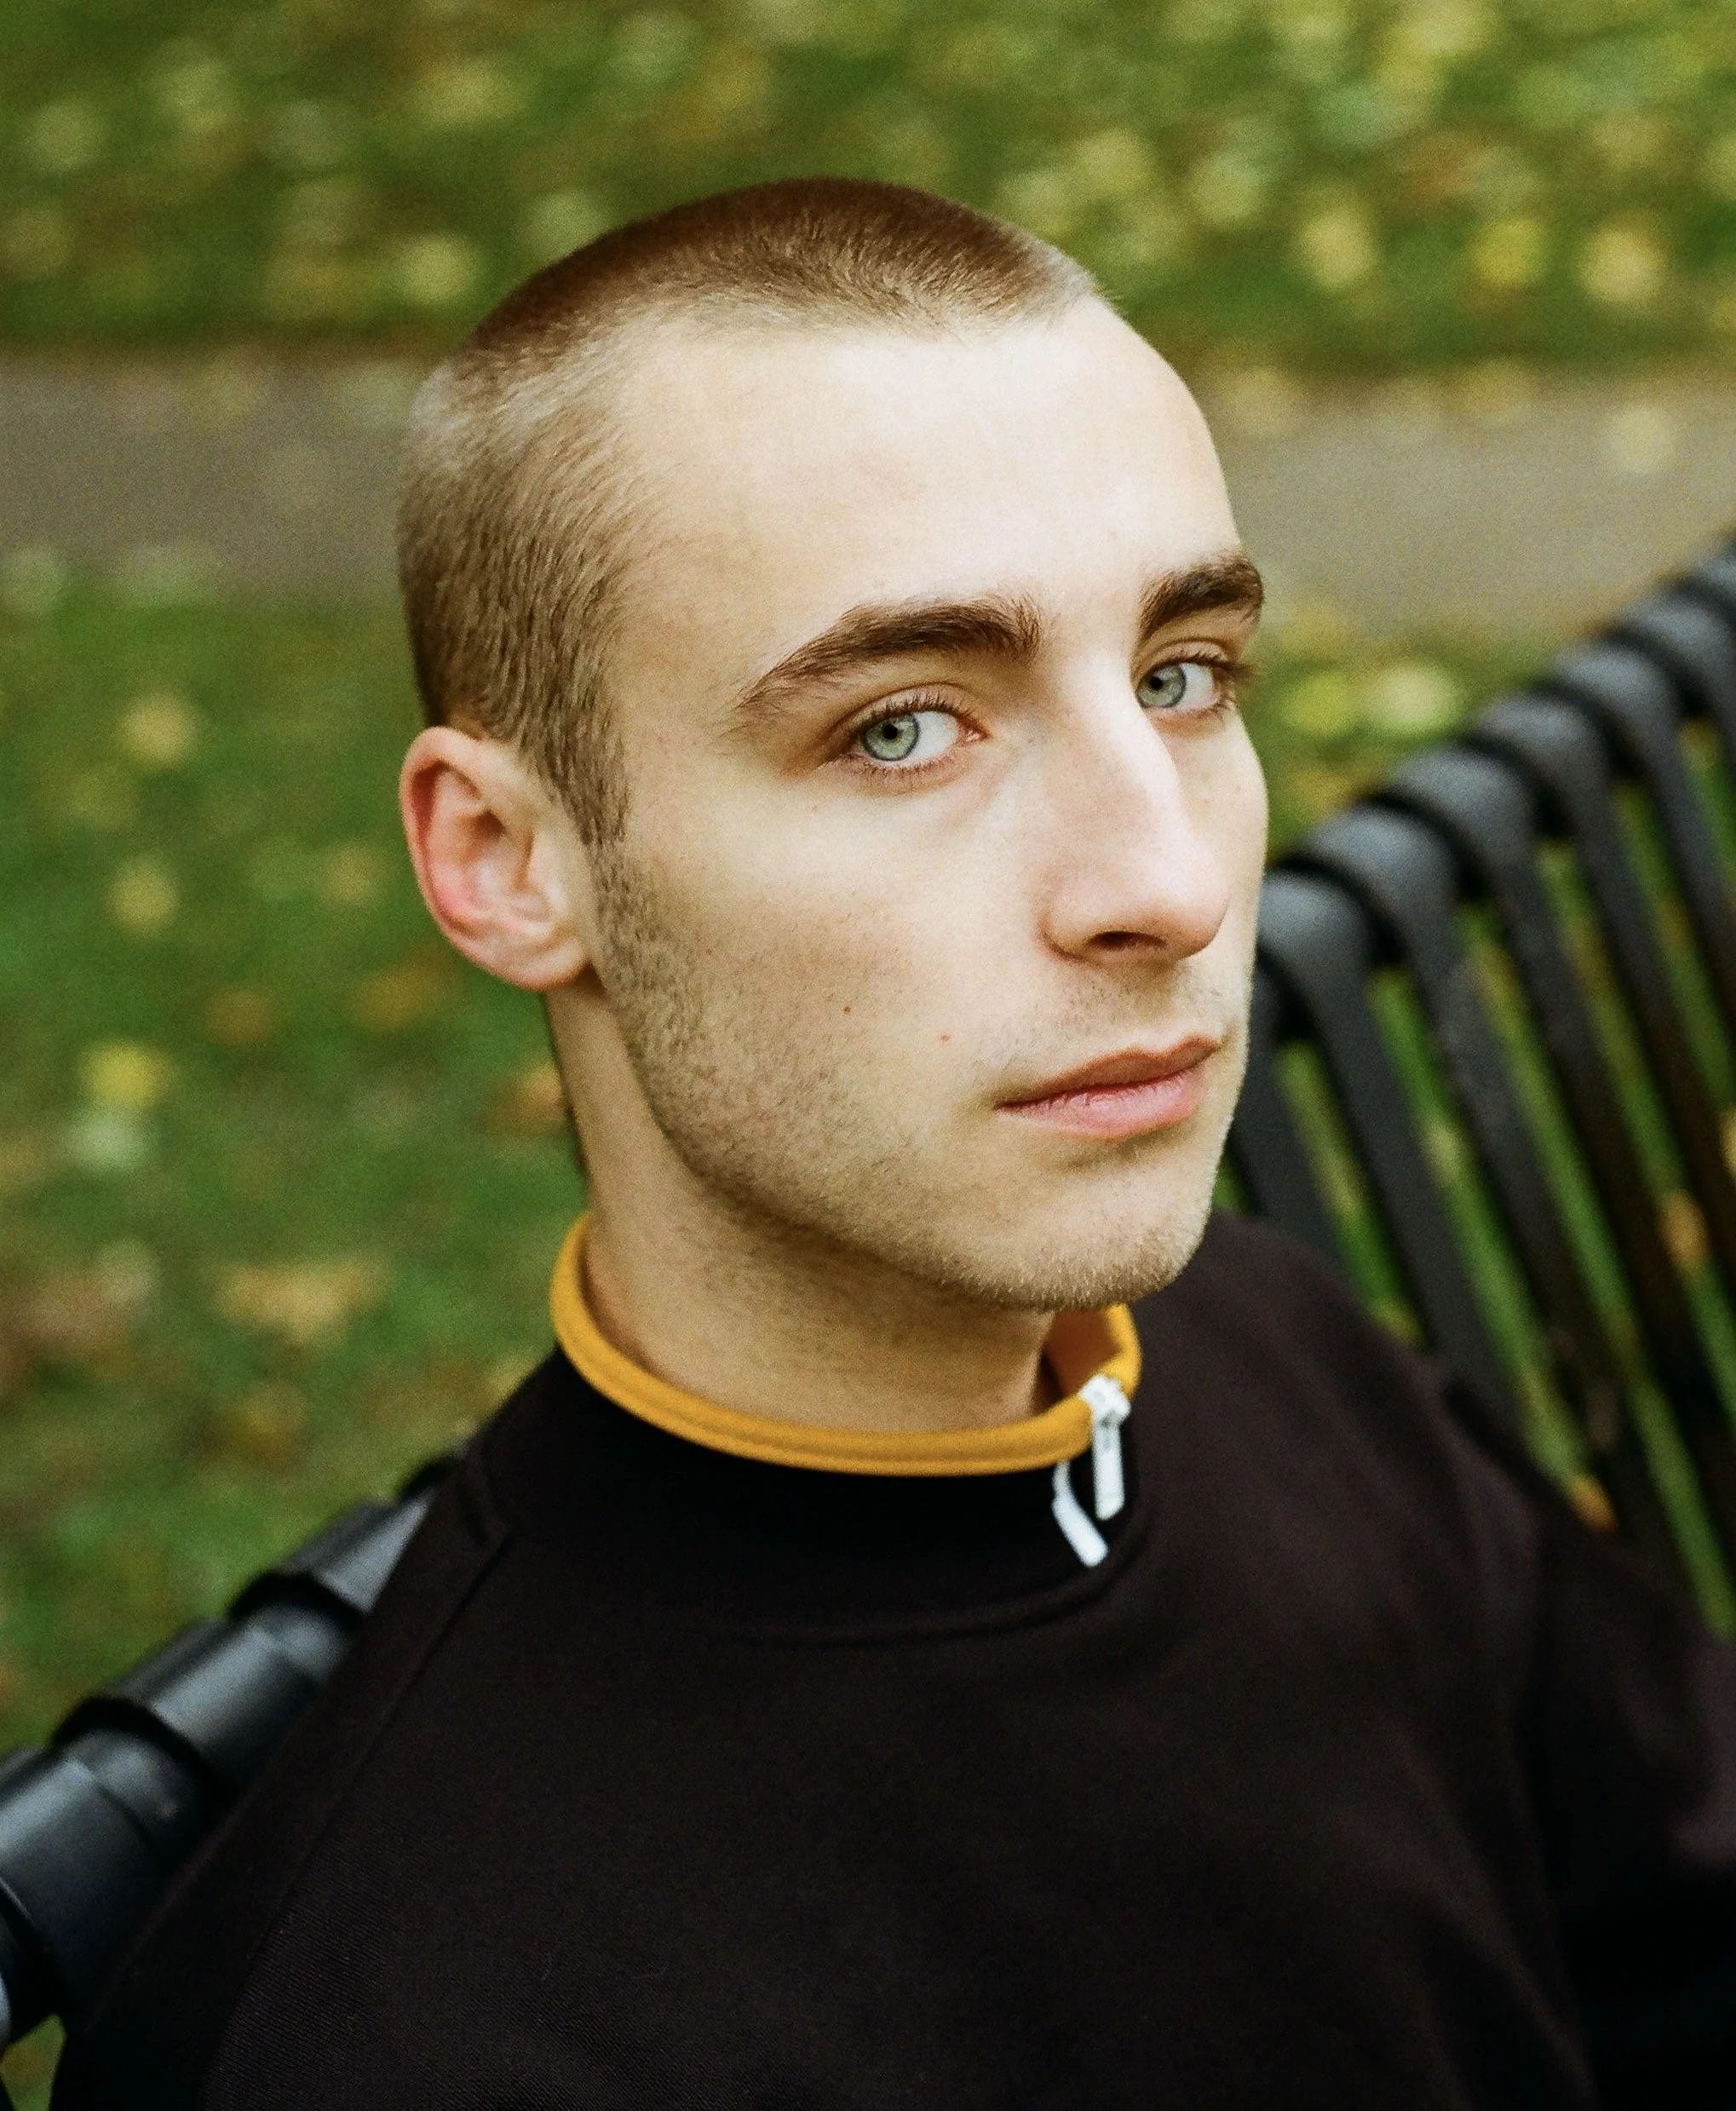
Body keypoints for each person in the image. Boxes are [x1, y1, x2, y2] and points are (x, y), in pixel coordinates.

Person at [51, 178, 1736, 2110]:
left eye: (1180, 676)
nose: (1167, 883)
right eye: (901, 729)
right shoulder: (404, 2032)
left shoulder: (1263, 1362)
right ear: (509, 859)